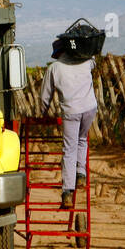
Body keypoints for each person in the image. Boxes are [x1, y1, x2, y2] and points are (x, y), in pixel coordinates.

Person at [39, 36, 97, 209]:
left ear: (58, 53)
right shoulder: (86, 62)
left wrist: (43, 113)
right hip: (89, 108)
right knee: (82, 140)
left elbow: (45, 96)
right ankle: (81, 174)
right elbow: (94, 57)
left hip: (71, 111)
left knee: (69, 149)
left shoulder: (54, 68)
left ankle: (67, 192)